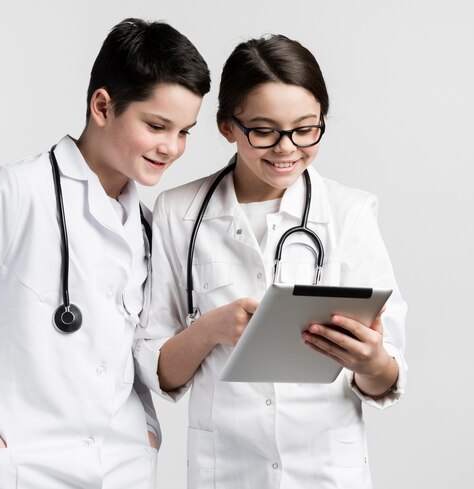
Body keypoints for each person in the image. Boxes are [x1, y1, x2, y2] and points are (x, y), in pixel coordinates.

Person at [0, 18, 210, 489]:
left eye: (185, 131)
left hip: (122, 467)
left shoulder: (146, 227)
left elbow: (133, 357)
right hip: (17, 468)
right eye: (157, 125)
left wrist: (145, 431)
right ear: (102, 106)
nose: (172, 147)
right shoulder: (12, 193)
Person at [134, 34, 406, 489]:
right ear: (227, 126)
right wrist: (212, 329)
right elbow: (160, 372)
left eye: (305, 129)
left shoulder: (349, 213)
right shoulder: (177, 212)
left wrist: (371, 360)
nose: (287, 148)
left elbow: (385, 378)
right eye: (263, 130)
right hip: (227, 468)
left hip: (325, 470)